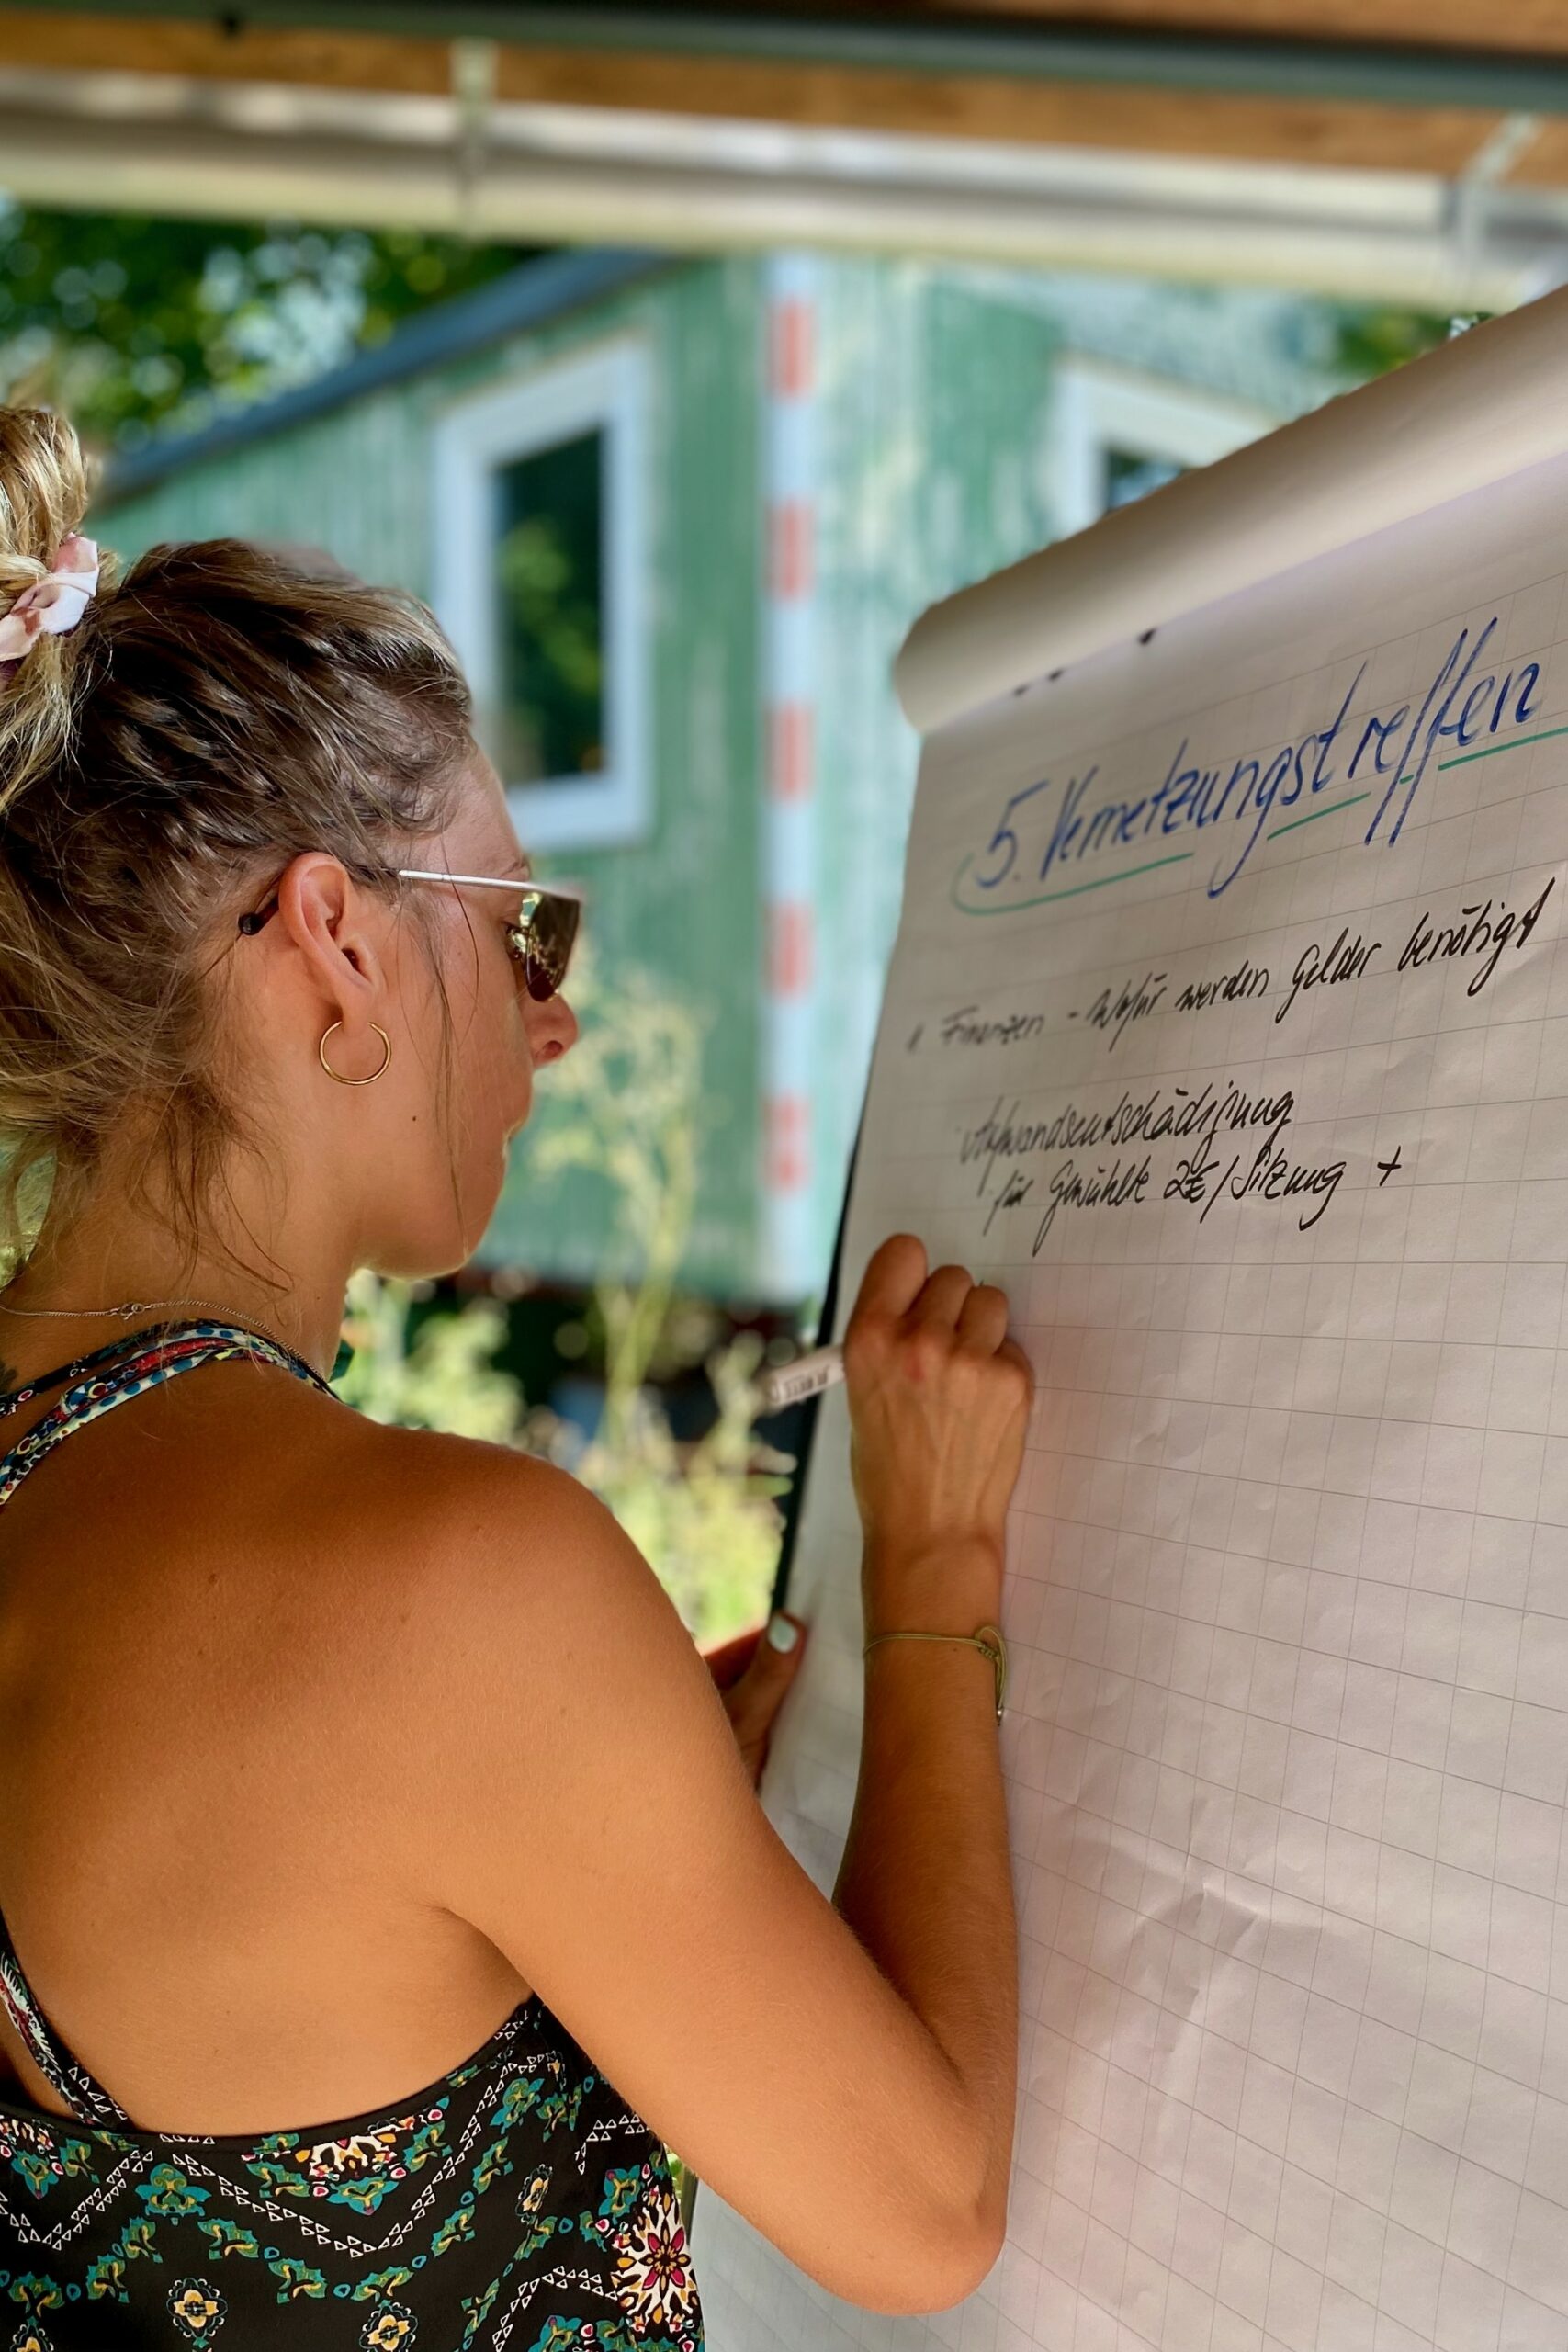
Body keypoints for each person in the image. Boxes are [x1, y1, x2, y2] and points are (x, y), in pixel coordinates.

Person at [0, 404, 1032, 2348]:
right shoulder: (447, 1588)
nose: (552, 1020)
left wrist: (584, 1827)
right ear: (334, 944)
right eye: (515, 925)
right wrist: (936, 1574)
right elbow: (923, 2211)